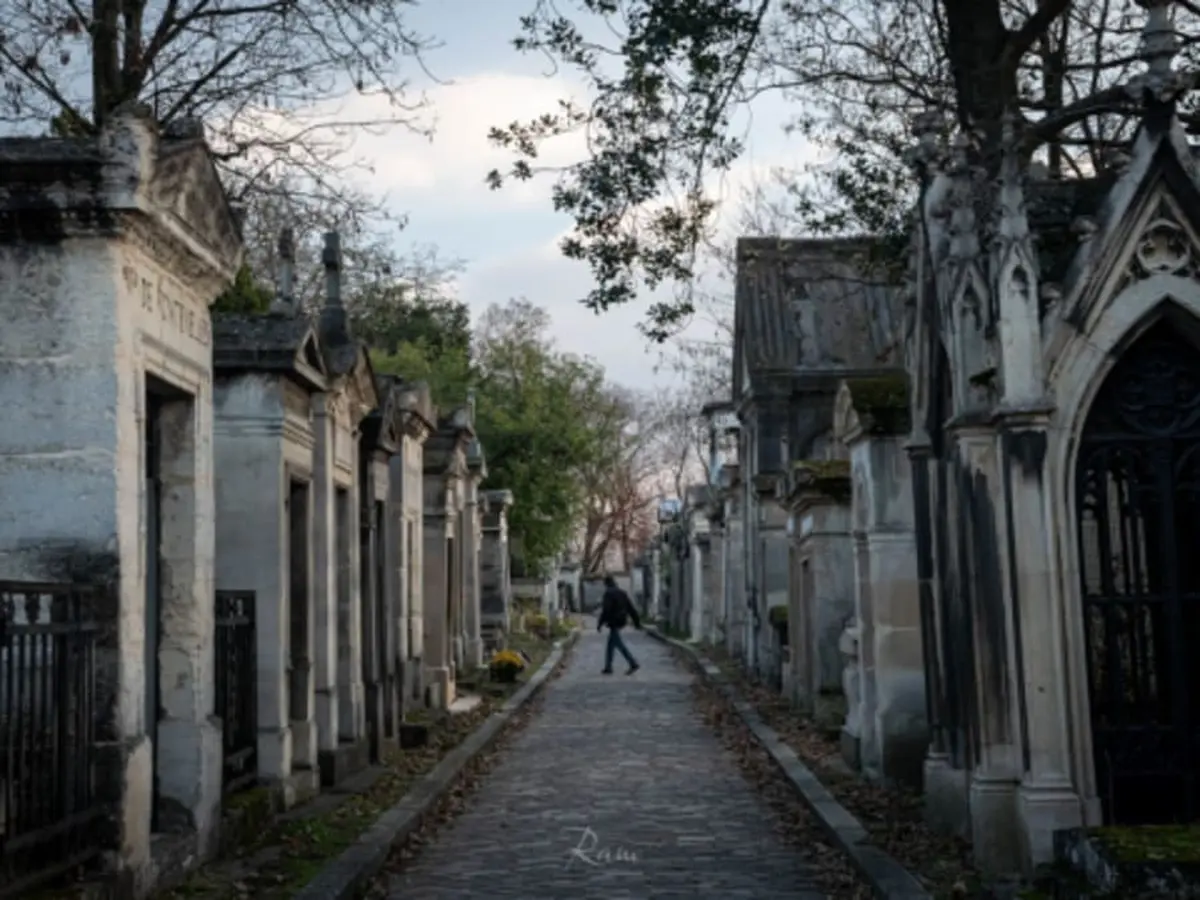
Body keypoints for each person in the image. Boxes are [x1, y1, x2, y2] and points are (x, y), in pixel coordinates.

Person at [596, 575, 641, 674]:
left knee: (619, 644)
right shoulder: (622, 593)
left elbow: (606, 610)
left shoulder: (608, 594)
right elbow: (631, 608)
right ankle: (608, 666)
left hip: (613, 621)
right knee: (611, 644)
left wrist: (600, 624)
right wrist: (637, 622)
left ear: (606, 584)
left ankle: (633, 663)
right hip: (621, 620)